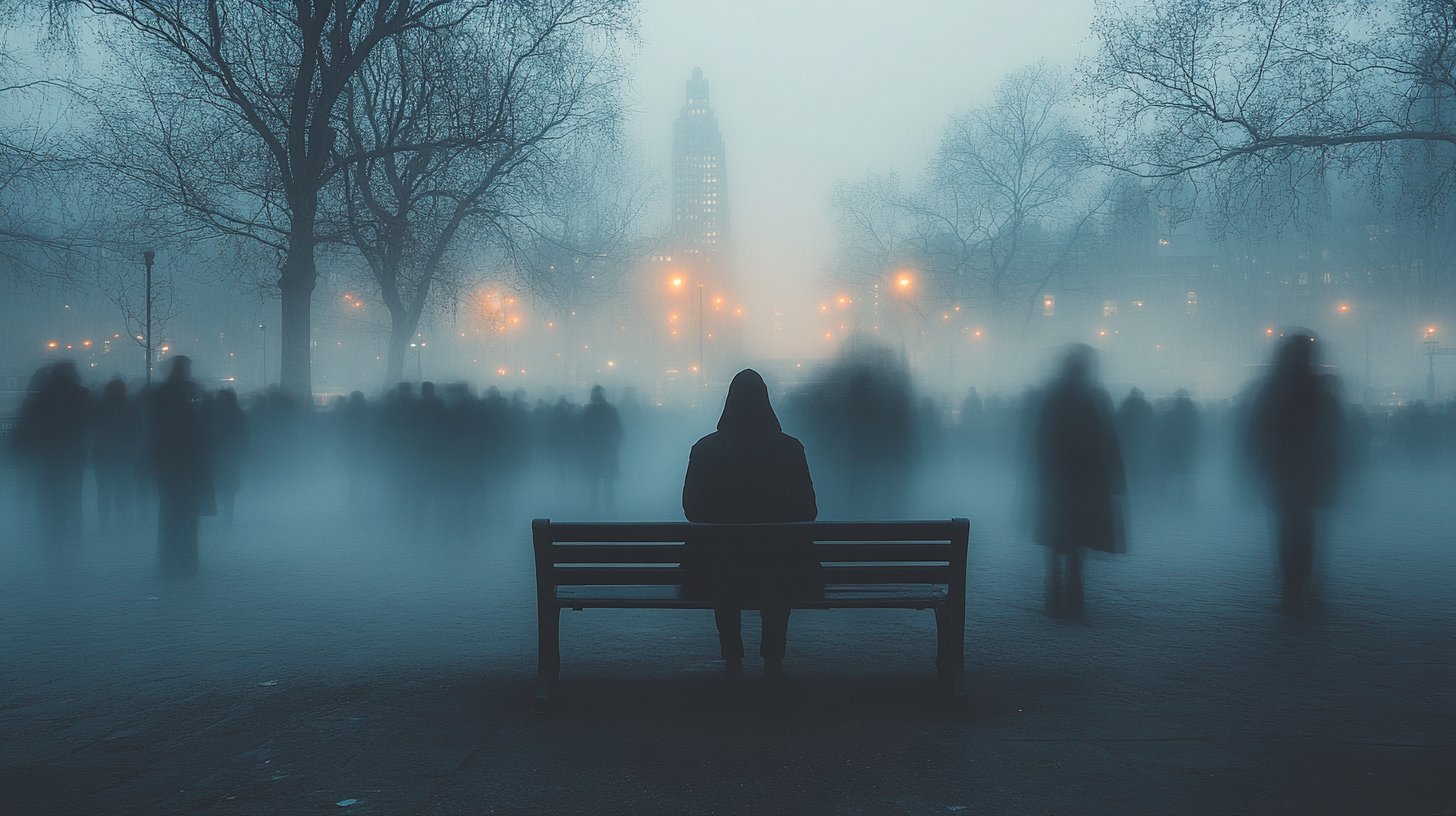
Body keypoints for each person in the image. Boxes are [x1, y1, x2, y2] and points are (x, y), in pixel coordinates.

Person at [683, 369, 818, 677]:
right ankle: (773, 654)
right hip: (782, 568)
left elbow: (691, 510)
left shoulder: (705, 449)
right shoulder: (790, 448)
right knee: (779, 564)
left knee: (722, 561)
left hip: (717, 570)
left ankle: (732, 654)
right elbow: (808, 510)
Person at [1247, 331, 1345, 614]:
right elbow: (1334, 431)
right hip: (1309, 470)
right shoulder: (1320, 387)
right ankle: (1304, 582)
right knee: (1307, 528)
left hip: (1285, 471)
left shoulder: (1274, 388)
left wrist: (1261, 463)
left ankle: (1292, 585)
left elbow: (1259, 430)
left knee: (1289, 527)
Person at [1033, 345, 1126, 616]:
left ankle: (1055, 593)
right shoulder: (1092, 396)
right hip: (1084, 480)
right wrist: (1114, 478)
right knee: (1077, 540)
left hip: (1060, 480)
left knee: (1059, 538)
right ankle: (1073, 595)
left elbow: (1043, 440)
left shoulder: (1056, 395)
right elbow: (1107, 439)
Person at [150, 356, 213, 577]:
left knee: (169, 515)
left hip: (169, 466)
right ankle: (188, 564)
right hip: (190, 466)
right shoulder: (194, 393)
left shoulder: (161, 394)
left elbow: (153, 430)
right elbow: (203, 429)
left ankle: (167, 564)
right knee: (189, 518)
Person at [93, 378, 142, 530]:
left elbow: (94, 430)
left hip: (103, 456)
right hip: (124, 456)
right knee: (124, 491)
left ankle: (104, 524)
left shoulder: (100, 408)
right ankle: (124, 523)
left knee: (104, 492)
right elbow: (136, 432)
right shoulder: (130, 409)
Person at [580, 385, 625, 515]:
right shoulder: (606, 410)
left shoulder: (593, 410)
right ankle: (601, 508)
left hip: (602, 449)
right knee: (599, 480)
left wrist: (616, 444)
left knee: (604, 481)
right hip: (599, 449)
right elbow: (618, 429)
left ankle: (605, 508)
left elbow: (618, 429)